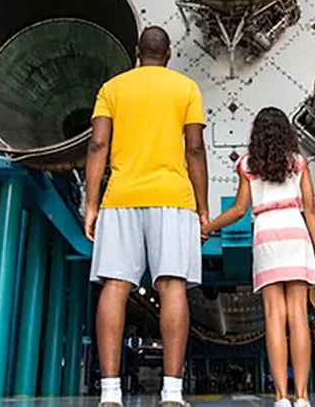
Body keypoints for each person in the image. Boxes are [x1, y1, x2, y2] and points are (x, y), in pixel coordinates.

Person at [85, 26, 209, 407]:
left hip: (121, 196)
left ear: (137, 53)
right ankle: (172, 392)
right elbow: (195, 150)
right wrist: (203, 208)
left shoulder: (112, 88)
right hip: (173, 198)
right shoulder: (186, 88)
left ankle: (110, 393)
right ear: (168, 54)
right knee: (172, 286)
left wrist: (91, 203)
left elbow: (98, 144)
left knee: (115, 287)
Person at [202, 107, 315, 407]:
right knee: (298, 317)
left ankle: (281, 397)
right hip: (296, 235)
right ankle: (303, 396)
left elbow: (239, 210)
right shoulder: (298, 163)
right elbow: (310, 210)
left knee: (274, 317)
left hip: (266, 236)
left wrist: (208, 227)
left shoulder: (247, 164)